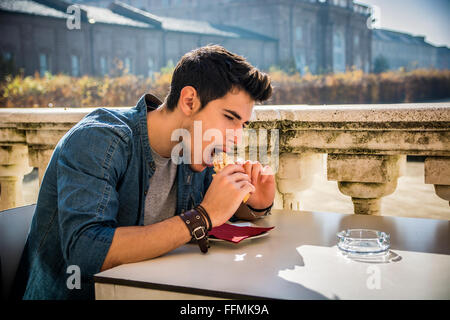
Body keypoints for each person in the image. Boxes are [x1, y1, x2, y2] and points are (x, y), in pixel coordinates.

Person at [12, 45, 275, 300]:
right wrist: (202, 217)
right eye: (230, 117)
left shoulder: (193, 150)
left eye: (243, 124)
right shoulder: (99, 140)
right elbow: (86, 251)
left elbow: (216, 208)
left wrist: (256, 204)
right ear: (189, 101)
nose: (237, 136)